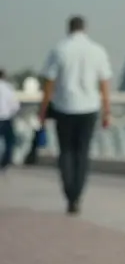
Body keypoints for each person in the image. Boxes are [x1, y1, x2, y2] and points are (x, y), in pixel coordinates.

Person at [37, 16, 113, 214]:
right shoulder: (98, 50)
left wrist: (43, 109)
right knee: (82, 153)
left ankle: (69, 192)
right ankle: (77, 194)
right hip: (89, 108)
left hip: (64, 108)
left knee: (66, 152)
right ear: (85, 28)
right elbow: (104, 83)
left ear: (68, 29)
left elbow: (49, 83)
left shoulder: (59, 49)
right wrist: (107, 111)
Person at [0, 70, 20, 171]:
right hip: (5, 118)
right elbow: (15, 105)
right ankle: (5, 162)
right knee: (9, 142)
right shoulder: (8, 88)